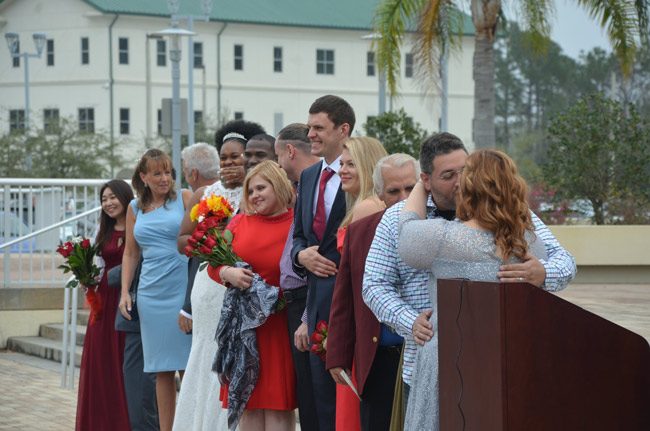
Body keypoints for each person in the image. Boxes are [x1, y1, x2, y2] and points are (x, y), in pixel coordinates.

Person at [362, 133, 577, 412]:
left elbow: (566, 261)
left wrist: (542, 273)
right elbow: (375, 284)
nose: (460, 181)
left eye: (465, 171)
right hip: (425, 364)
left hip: (496, 366)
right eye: (449, 174)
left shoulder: (510, 213)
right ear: (426, 180)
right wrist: (410, 321)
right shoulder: (397, 219)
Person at [397, 149, 548, 430]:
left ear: (467, 189)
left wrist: (422, 183)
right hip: (505, 356)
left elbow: (405, 230)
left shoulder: (443, 238)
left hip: (448, 358)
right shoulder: (527, 241)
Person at [327, 154, 419, 431]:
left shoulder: (440, 228)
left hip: (423, 353)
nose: (404, 197)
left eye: (411, 189)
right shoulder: (361, 231)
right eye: (394, 191)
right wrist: (337, 356)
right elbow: (345, 297)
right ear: (380, 194)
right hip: (379, 355)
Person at [209, 161, 297, 431]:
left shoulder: (296, 222)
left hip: (278, 325)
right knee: (247, 404)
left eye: (261, 188)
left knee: (278, 408)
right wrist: (228, 273)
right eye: (251, 190)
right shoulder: (238, 221)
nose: (255, 195)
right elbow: (213, 263)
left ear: (278, 186)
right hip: (243, 329)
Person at [292, 95, 355, 431]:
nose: (310, 134)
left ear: (343, 129)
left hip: (350, 305)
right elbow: (299, 237)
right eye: (309, 127)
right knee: (319, 403)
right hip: (315, 307)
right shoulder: (309, 176)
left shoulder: (362, 175)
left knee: (345, 401)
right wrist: (301, 255)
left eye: (318, 128)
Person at [119, 149, 193, 431]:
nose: (164, 178)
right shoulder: (134, 209)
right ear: (143, 177)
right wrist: (126, 292)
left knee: (187, 365)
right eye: (157, 173)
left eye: (168, 172)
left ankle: (190, 425)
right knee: (160, 369)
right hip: (150, 294)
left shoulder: (184, 199)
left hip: (181, 288)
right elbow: (130, 253)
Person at [327, 136, 388, 431]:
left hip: (361, 327)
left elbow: (361, 284)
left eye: (352, 164)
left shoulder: (367, 208)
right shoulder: (361, 206)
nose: (343, 170)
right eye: (342, 164)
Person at [172, 142, 228, 431]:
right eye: (226, 157)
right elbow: (186, 246)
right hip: (207, 287)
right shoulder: (202, 197)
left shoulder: (255, 192)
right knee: (204, 358)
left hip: (237, 289)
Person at [76, 179, 133, 431]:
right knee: (100, 366)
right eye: (104, 199)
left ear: (125, 197)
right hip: (102, 305)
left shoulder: (136, 227)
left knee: (122, 364)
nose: (108, 203)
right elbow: (98, 268)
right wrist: (85, 277)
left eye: (113, 197)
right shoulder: (104, 233)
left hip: (126, 301)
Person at [275, 123, 321, 431]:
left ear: (290, 151)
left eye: (278, 156)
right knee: (308, 396)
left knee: (317, 398)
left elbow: (322, 256)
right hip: (296, 302)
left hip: (310, 301)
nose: (279, 165)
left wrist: (307, 314)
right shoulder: (304, 185)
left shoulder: (316, 186)